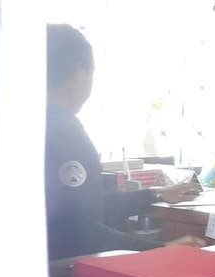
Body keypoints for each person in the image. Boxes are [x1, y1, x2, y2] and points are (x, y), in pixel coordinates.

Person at [46, 24, 205, 260]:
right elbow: (80, 233)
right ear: (80, 72)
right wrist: (160, 250)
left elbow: (83, 207)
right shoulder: (66, 136)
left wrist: (156, 194)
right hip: (61, 271)